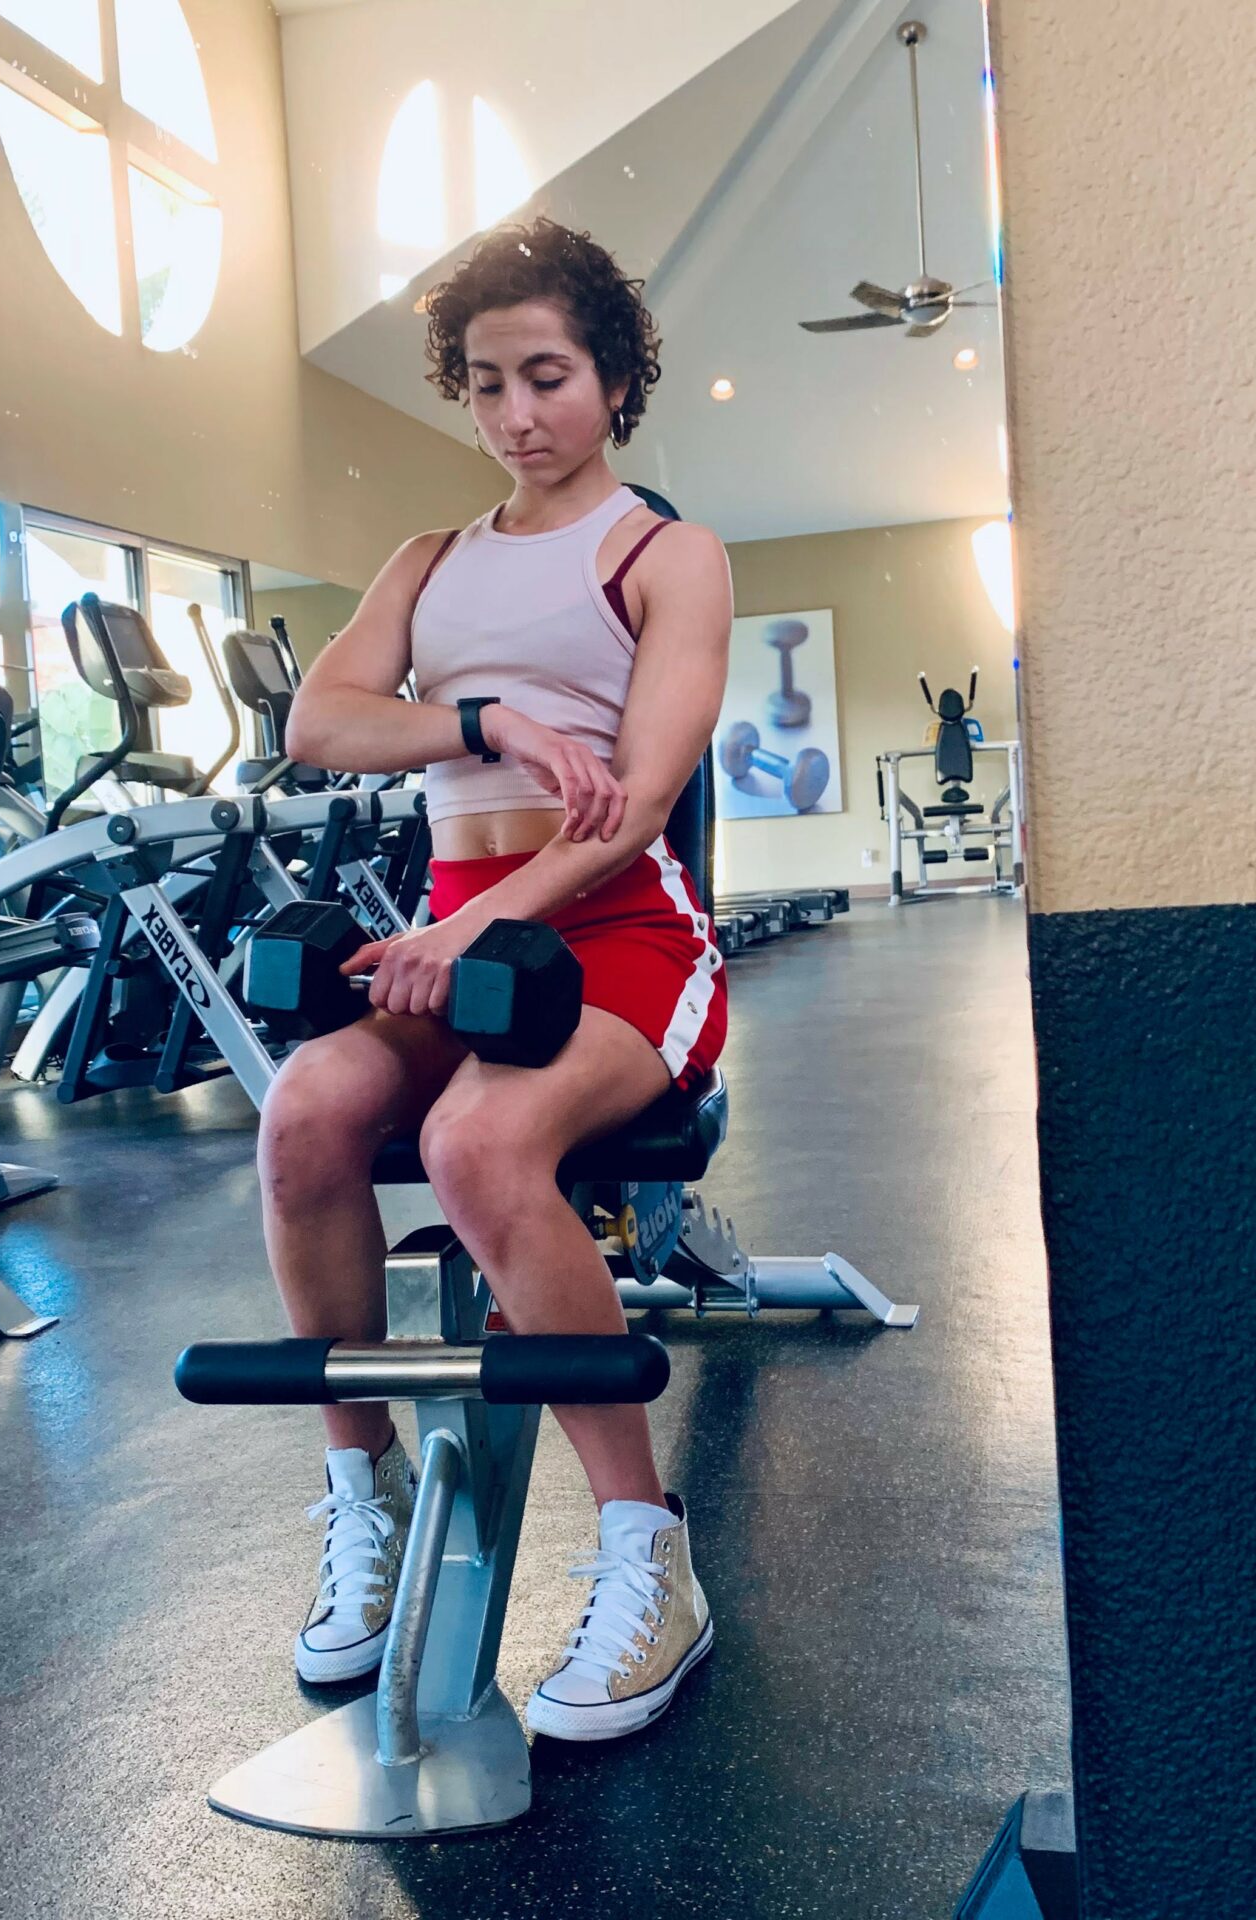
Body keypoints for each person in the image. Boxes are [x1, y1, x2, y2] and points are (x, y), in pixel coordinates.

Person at [261, 216, 733, 1743]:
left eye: (547, 376)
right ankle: (366, 1488)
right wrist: (481, 725)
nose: (517, 413)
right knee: (303, 1113)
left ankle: (646, 1552)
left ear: (613, 379)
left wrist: (473, 929)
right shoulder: (430, 562)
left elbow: (637, 801)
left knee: (477, 1142)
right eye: (484, 384)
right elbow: (318, 725)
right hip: (458, 931)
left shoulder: (665, 556)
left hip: (623, 935)